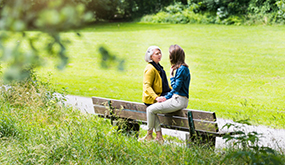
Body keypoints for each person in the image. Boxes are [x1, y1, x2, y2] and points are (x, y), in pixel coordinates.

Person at [140, 44, 191, 143]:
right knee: (152, 109)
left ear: (174, 56)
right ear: (151, 56)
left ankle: (150, 135)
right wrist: (158, 97)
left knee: (151, 110)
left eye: (160, 53)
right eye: (157, 53)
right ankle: (157, 137)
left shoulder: (181, 69)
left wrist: (166, 96)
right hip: (176, 98)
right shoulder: (152, 68)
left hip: (178, 100)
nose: (166, 56)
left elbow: (176, 87)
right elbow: (147, 86)